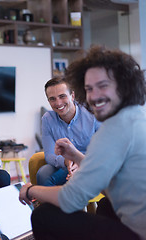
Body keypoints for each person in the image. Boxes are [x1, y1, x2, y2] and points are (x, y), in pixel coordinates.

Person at [19, 46, 146, 239]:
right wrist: (75, 155)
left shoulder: (112, 130)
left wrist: (30, 189)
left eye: (103, 86)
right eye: (89, 88)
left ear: (124, 85)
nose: (94, 96)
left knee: (43, 215)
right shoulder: (135, 117)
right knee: (105, 206)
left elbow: (72, 198)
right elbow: (106, 173)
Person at [37, 77, 100, 186]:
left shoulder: (93, 114)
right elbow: (49, 155)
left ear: (72, 95)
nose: (58, 103)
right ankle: (50, 203)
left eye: (62, 96)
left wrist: (81, 163)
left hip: (93, 164)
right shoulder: (47, 119)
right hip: (67, 165)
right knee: (43, 174)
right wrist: (66, 162)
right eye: (52, 99)